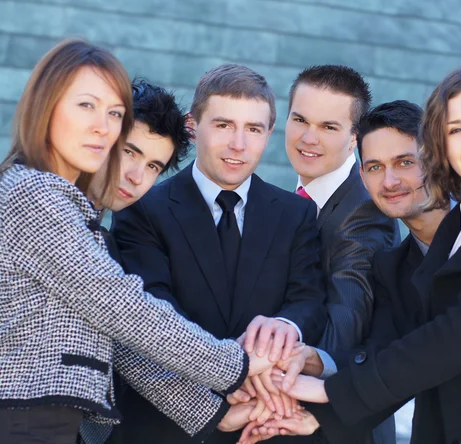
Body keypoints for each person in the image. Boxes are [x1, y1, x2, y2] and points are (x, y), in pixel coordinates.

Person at [253, 66, 461, 443]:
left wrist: (332, 393)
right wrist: (315, 393)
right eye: (456, 129)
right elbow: (389, 349)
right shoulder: (444, 239)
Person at [0, 39, 276, 444]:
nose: (136, 176)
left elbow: (123, 343)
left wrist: (216, 413)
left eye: (113, 114)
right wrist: (238, 365)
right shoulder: (33, 194)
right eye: (86, 106)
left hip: (46, 421)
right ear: (47, 105)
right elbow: (123, 309)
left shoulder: (80, 220)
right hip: (16, 419)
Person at [111, 63, 327, 444]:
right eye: (224, 125)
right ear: (193, 126)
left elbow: (308, 298)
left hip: (269, 424)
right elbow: (152, 312)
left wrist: (286, 330)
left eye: (254, 130)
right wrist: (237, 370)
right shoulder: (142, 208)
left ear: (268, 134)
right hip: (168, 427)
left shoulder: (296, 212)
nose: (238, 145)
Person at [238, 100, 450, 444]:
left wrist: (322, 394)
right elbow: (382, 355)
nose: (390, 180)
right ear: (362, 175)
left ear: (438, 160)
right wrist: (312, 362)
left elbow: (441, 346)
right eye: (376, 167)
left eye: (405, 162)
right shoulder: (396, 267)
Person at [78, 78, 189, 444]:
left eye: (154, 166)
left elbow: (128, 351)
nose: (136, 177)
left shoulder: (102, 241)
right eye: (130, 151)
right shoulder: (49, 211)